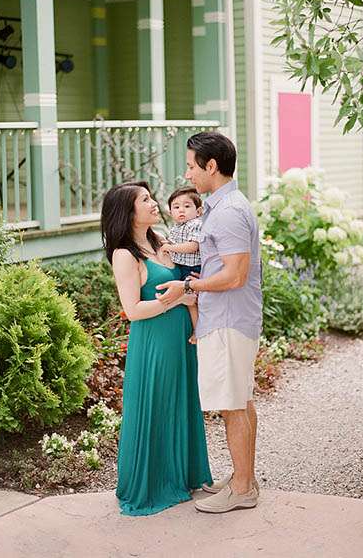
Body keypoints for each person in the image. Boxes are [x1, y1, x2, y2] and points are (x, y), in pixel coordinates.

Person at [156, 131, 262, 514]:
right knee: (242, 401)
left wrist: (189, 285)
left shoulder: (230, 211)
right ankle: (242, 479)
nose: (188, 173)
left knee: (233, 406)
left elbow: (234, 274)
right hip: (231, 318)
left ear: (211, 166)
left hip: (229, 320)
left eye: (190, 165)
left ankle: (243, 489)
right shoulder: (222, 207)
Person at [101, 181, 212, 516]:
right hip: (155, 340)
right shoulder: (124, 255)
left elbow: (187, 282)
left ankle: (185, 476)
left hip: (180, 337)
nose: (153, 204)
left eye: (150, 198)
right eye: (145, 200)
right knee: (158, 404)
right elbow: (133, 310)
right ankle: (153, 484)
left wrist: (188, 296)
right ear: (128, 212)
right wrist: (174, 301)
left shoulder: (161, 241)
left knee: (182, 401)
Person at [163, 186, 204, 344]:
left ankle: (198, 331)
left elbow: (192, 246)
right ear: (170, 212)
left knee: (192, 301)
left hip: (193, 268)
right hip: (181, 267)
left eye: (187, 206)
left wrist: (169, 247)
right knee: (188, 299)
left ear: (198, 211)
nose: (181, 210)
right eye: (176, 207)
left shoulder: (195, 224)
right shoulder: (176, 228)